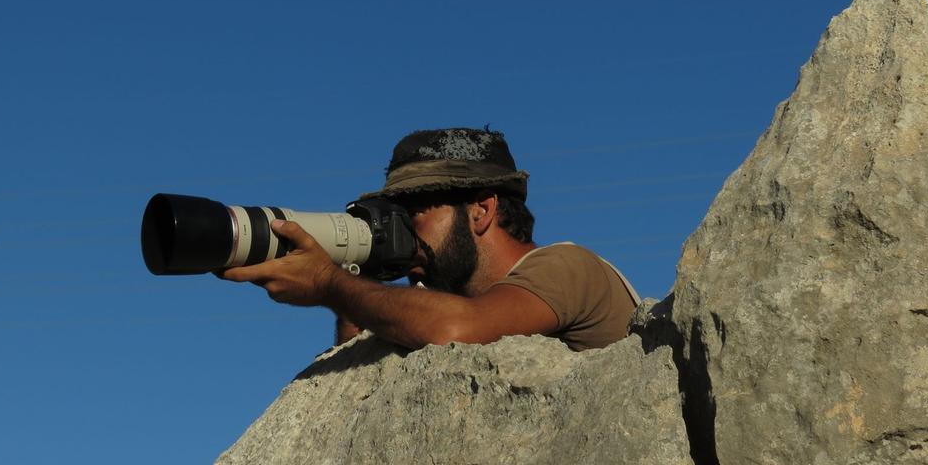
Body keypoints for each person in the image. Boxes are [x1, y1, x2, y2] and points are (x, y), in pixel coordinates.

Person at [221, 127, 639, 351]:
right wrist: (359, 287)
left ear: (481, 209)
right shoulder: (460, 307)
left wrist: (331, 284)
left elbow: (456, 328)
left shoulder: (566, 268)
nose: (402, 230)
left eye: (416, 211)